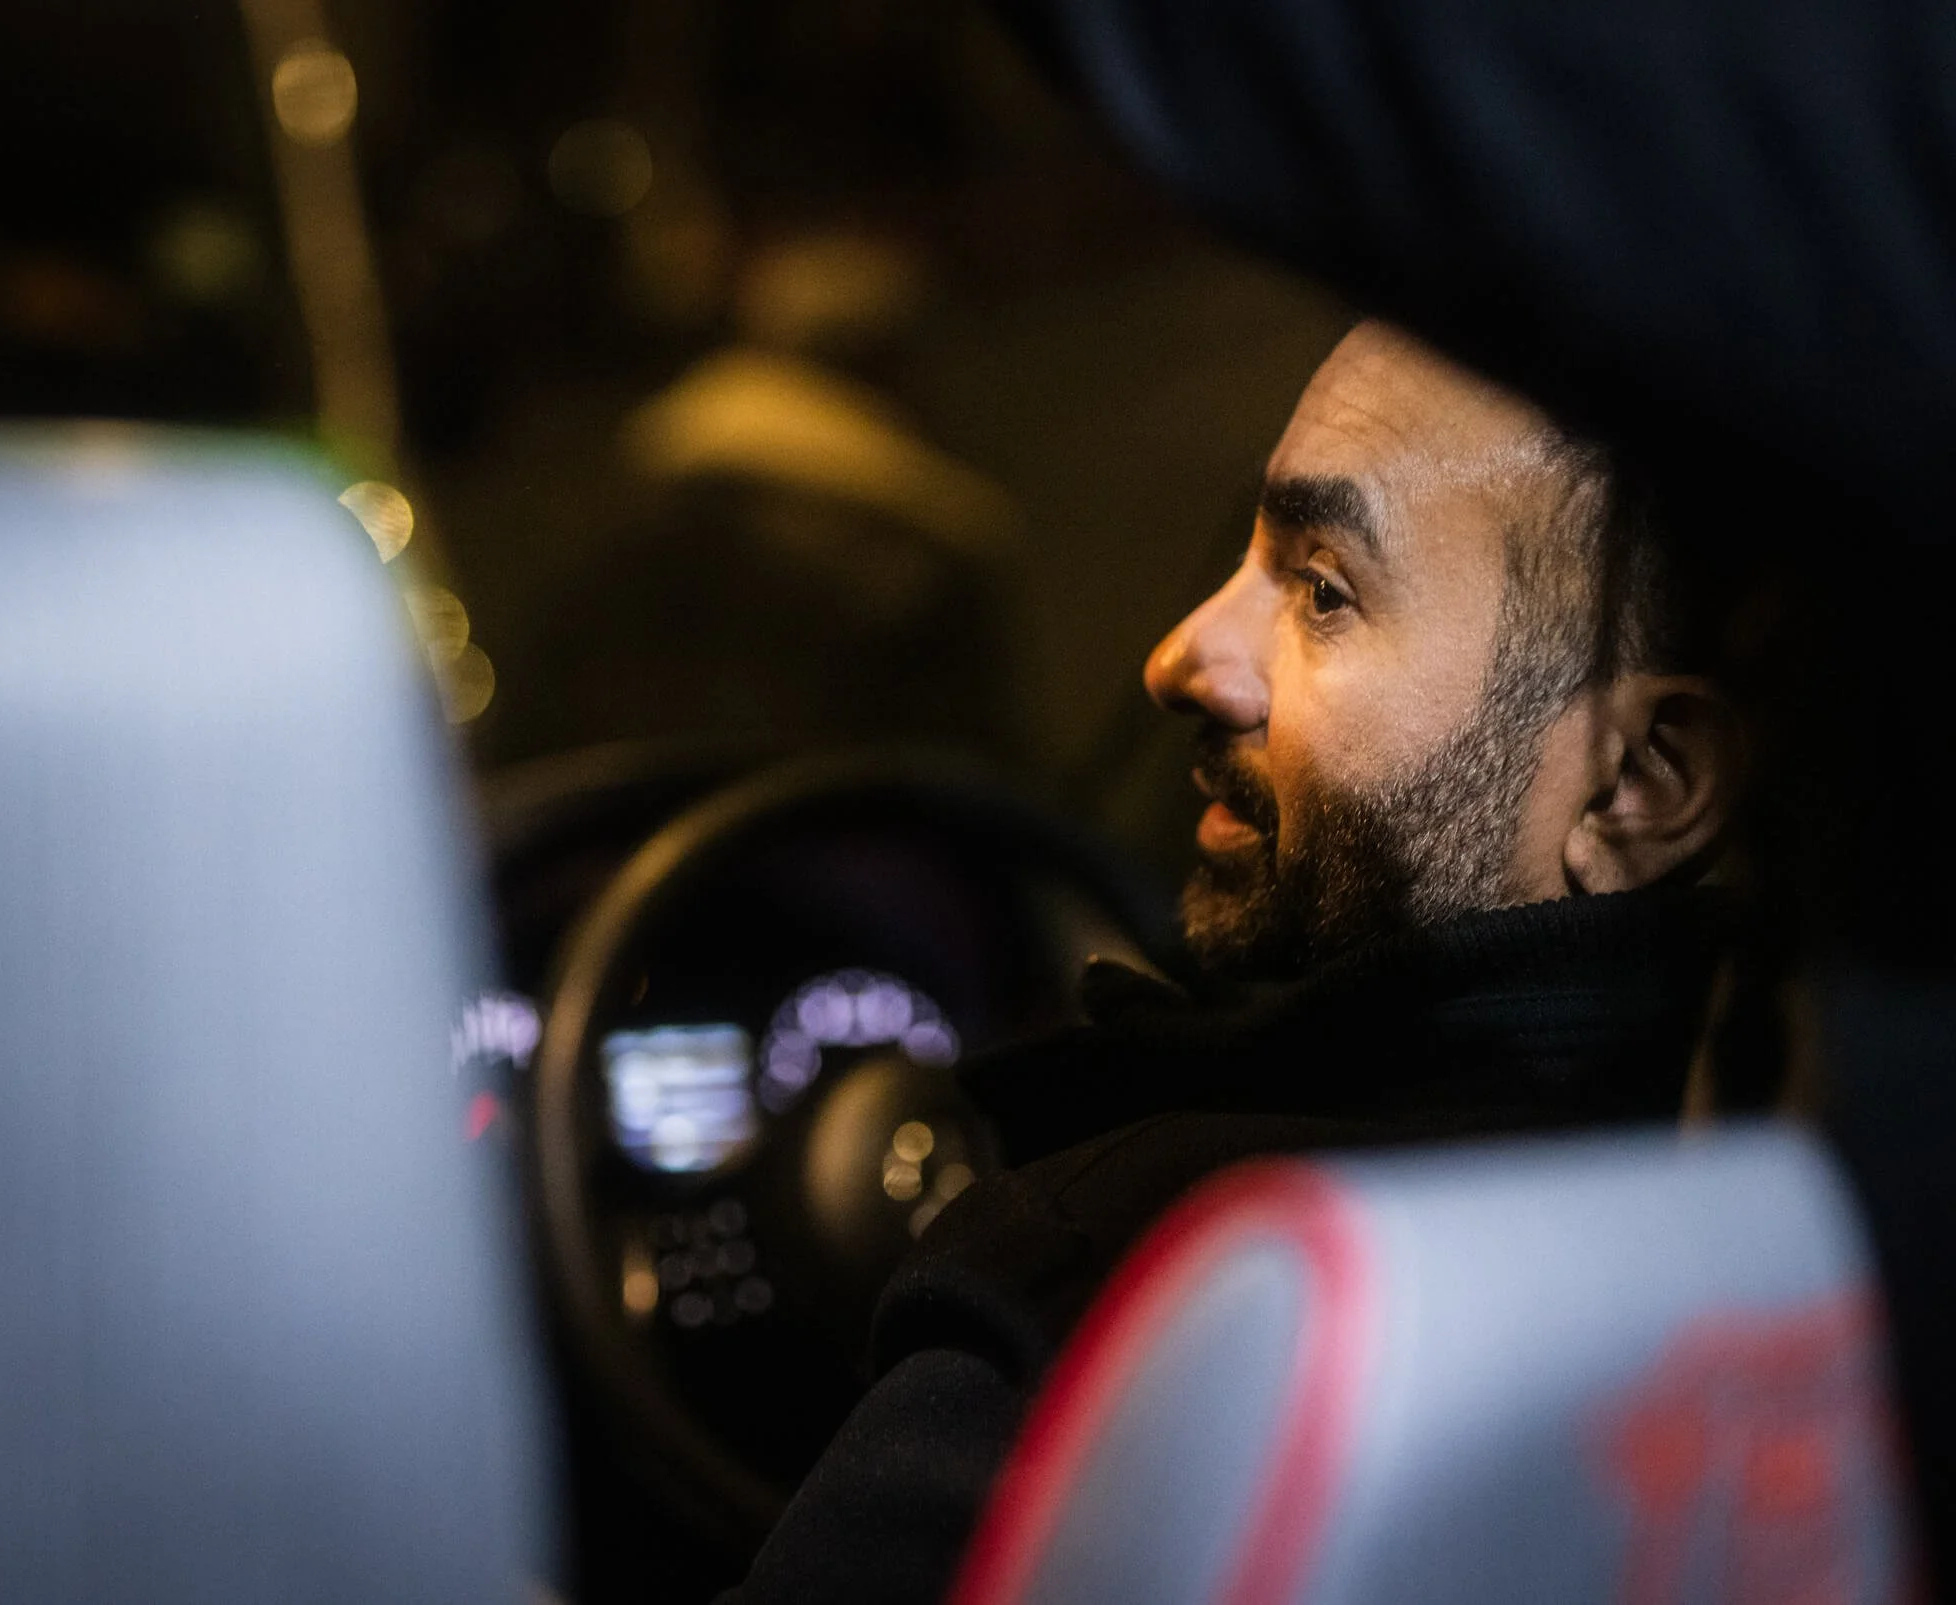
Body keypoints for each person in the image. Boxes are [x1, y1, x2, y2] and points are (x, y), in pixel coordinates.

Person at [719, 320, 1745, 1604]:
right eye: (1246, 564)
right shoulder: (1782, 1190)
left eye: (1321, 589)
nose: (1177, 656)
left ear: (1635, 785)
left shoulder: (1115, 1288)